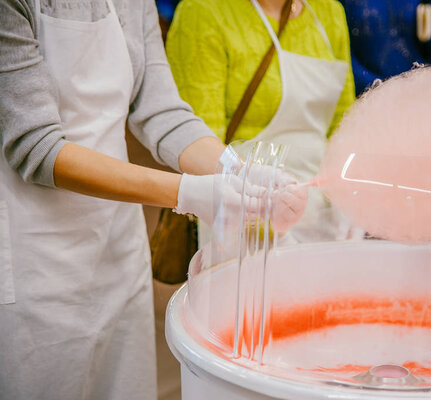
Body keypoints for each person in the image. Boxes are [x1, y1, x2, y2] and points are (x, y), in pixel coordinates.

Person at [0, 0, 298, 398]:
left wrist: (235, 168)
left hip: (118, 247)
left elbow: (160, 108)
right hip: (39, 260)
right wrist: (185, 191)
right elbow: (36, 146)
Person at [166, 0, 357, 244]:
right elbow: (197, 142)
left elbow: (344, 122)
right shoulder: (202, 11)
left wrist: (349, 200)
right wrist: (262, 222)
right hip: (245, 215)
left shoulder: (329, 11)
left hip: (327, 216)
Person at [340, 0, 431, 95]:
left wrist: (427, 88)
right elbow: (342, 54)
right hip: (363, 98)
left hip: (418, 97)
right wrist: (381, 90)